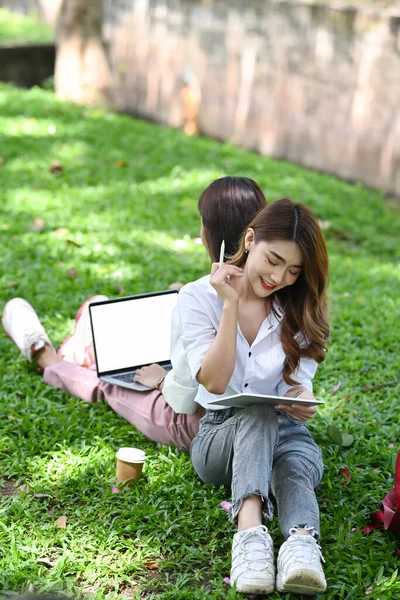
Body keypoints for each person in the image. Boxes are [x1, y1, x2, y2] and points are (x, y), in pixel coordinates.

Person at [2, 177, 266, 451]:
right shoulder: (277, 285)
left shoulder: (202, 293)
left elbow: (186, 399)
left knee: (113, 384)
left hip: (194, 423)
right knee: (143, 349)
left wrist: (161, 381)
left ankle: (46, 356)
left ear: (209, 231)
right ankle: (92, 340)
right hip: (249, 420)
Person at [173, 199, 329, 594]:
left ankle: (301, 545)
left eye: (294, 270)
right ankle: (249, 538)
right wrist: (230, 304)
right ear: (249, 238)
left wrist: (301, 397)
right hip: (219, 438)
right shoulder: (197, 297)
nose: (280, 277)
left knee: (293, 463)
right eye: (273, 260)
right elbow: (213, 381)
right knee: (258, 413)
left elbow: (299, 382)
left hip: (286, 431)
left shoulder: (297, 309)